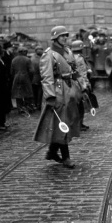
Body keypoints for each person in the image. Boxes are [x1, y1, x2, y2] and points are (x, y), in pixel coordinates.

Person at [33, 25, 81, 169]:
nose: (65, 38)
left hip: (69, 90)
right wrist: (50, 96)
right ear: (55, 38)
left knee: (66, 122)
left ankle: (52, 152)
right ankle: (66, 157)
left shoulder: (67, 51)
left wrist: (82, 86)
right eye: (62, 36)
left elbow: (75, 70)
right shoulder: (49, 54)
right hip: (58, 91)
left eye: (66, 35)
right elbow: (47, 77)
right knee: (62, 123)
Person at [71, 40, 92, 131]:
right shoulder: (79, 59)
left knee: (76, 106)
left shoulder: (71, 57)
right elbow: (82, 74)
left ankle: (77, 124)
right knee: (81, 106)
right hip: (80, 85)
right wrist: (86, 85)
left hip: (74, 84)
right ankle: (79, 125)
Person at [11, 46, 34, 115]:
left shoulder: (14, 60)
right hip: (26, 77)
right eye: (26, 52)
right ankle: (28, 108)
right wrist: (30, 78)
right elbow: (32, 71)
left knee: (18, 94)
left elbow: (11, 71)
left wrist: (14, 77)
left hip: (16, 78)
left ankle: (20, 109)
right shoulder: (27, 59)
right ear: (24, 52)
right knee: (27, 93)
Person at [31, 45, 44, 110]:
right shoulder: (39, 59)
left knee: (35, 92)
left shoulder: (32, 58)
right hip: (39, 77)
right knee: (39, 92)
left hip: (34, 78)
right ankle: (38, 105)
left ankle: (35, 104)